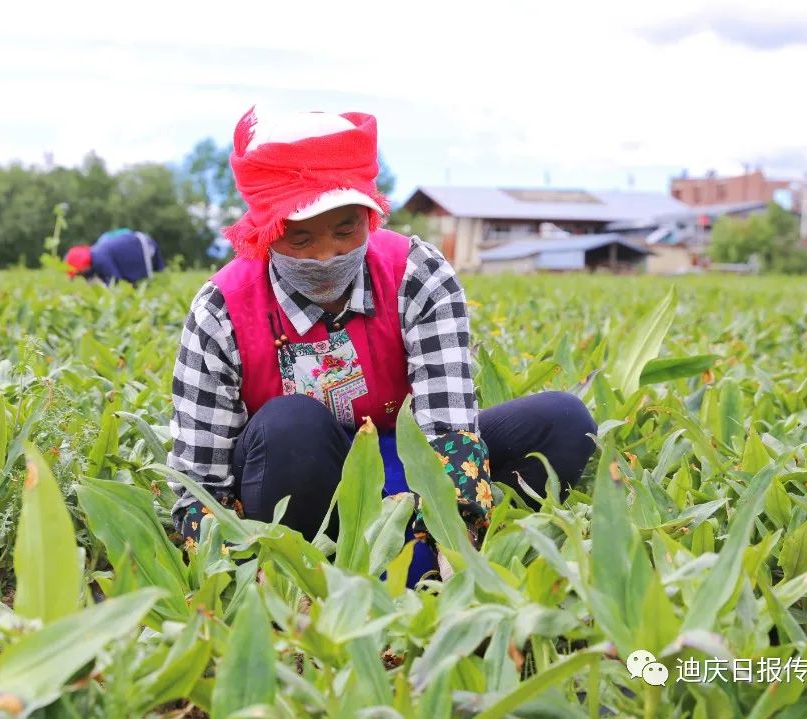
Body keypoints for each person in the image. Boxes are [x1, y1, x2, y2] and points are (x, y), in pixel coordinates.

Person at [168, 108, 597, 584]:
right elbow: (199, 488)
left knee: (564, 422)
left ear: (369, 217)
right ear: (265, 230)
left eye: (345, 230)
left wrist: (456, 534)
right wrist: (236, 561)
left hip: (407, 470)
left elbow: (448, 430)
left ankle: (429, 561)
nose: (326, 255)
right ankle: (303, 578)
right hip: (295, 482)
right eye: (300, 237)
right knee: (292, 424)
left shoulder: (416, 275)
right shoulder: (222, 311)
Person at [63, 228, 165, 285]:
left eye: (79, 273)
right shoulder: (96, 254)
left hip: (143, 247)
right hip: (141, 242)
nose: (80, 276)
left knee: (152, 283)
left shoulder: (99, 258)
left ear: (83, 265)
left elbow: (116, 281)